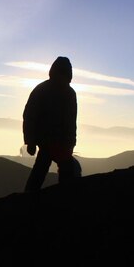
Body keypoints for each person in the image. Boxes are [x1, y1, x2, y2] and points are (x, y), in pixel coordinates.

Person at [23, 56, 77, 192]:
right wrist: (30, 142)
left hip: (58, 143)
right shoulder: (64, 92)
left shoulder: (68, 93)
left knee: (43, 172)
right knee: (43, 171)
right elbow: (30, 116)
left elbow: (71, 121)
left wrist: (71, 143)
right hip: (48, 143)